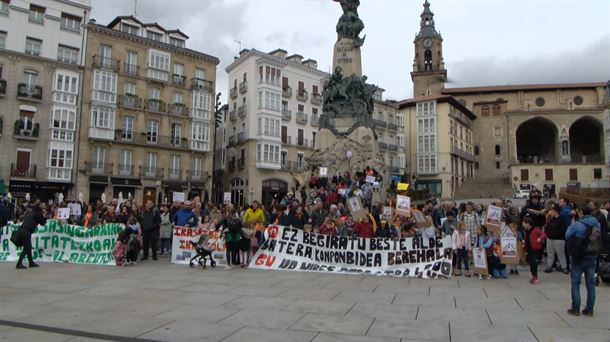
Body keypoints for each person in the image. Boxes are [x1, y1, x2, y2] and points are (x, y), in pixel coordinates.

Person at [566, 204, 601, 317]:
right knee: (590, 284)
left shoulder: (577, 225)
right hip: (592, 255)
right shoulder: (597, 223)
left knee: (575, 282)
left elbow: (567, 235)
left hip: (579, 256)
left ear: (581, 212)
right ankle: (589, 309)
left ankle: (575, 308)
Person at [14, 202, 46, 269]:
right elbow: (42, 223)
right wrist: (44, 216)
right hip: (27, 231)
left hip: (21, 230)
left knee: (28, 247)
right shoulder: (37, 213)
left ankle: (31, 262)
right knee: (26, 248)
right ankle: (19, 263)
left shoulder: (28, 213)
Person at [544, 204, 568, 274]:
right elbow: (547, 228)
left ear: (556, 211)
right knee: (550, 253)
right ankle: (549, 266)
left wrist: (553, 234)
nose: (551, 212)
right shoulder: (551, 219)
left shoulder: (561, 220)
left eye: (552, 210)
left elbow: (562, 230)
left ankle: (564, 267)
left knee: (561, 253)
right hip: (550, 239)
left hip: (559, 239)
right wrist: (548, 234)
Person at [523, 217, 546, 284]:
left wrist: (540, 238)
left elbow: (544, 234)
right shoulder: (525, 230)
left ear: (528, 224)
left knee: (534, 264)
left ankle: (535, 278)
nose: (523, 224)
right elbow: (526, 238)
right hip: (529, 249)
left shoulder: (535, 229)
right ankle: (533, 276)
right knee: (531, 264)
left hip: (535, 249)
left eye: (524, 223)